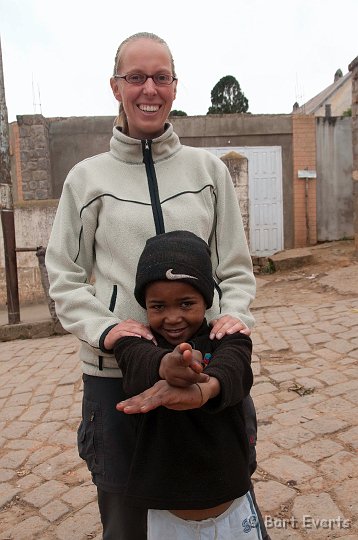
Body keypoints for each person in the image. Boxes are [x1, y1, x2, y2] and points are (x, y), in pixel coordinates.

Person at [45, 31, 268, 539]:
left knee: (222, 499)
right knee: (127, 515)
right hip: (116, 376)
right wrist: (112, 331)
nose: (150, 88)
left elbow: (233, 268)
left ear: (174, 85)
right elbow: (65, 277)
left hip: (206, 369)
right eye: (136, 77)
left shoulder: (209, 171)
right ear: (115, 86)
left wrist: (234, 321)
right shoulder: (86, 179)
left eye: (161, 77)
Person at [114, 230, 265, 539]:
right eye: (158, 306)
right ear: (144, 305)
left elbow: (236, 364)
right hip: (166, 518)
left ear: (206, 301)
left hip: (234, 512)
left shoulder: (225, 337)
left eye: (186, 303)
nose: (172, 318)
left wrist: (206, 387)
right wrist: (165, 365)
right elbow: (135, 360)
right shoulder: (137, 342)